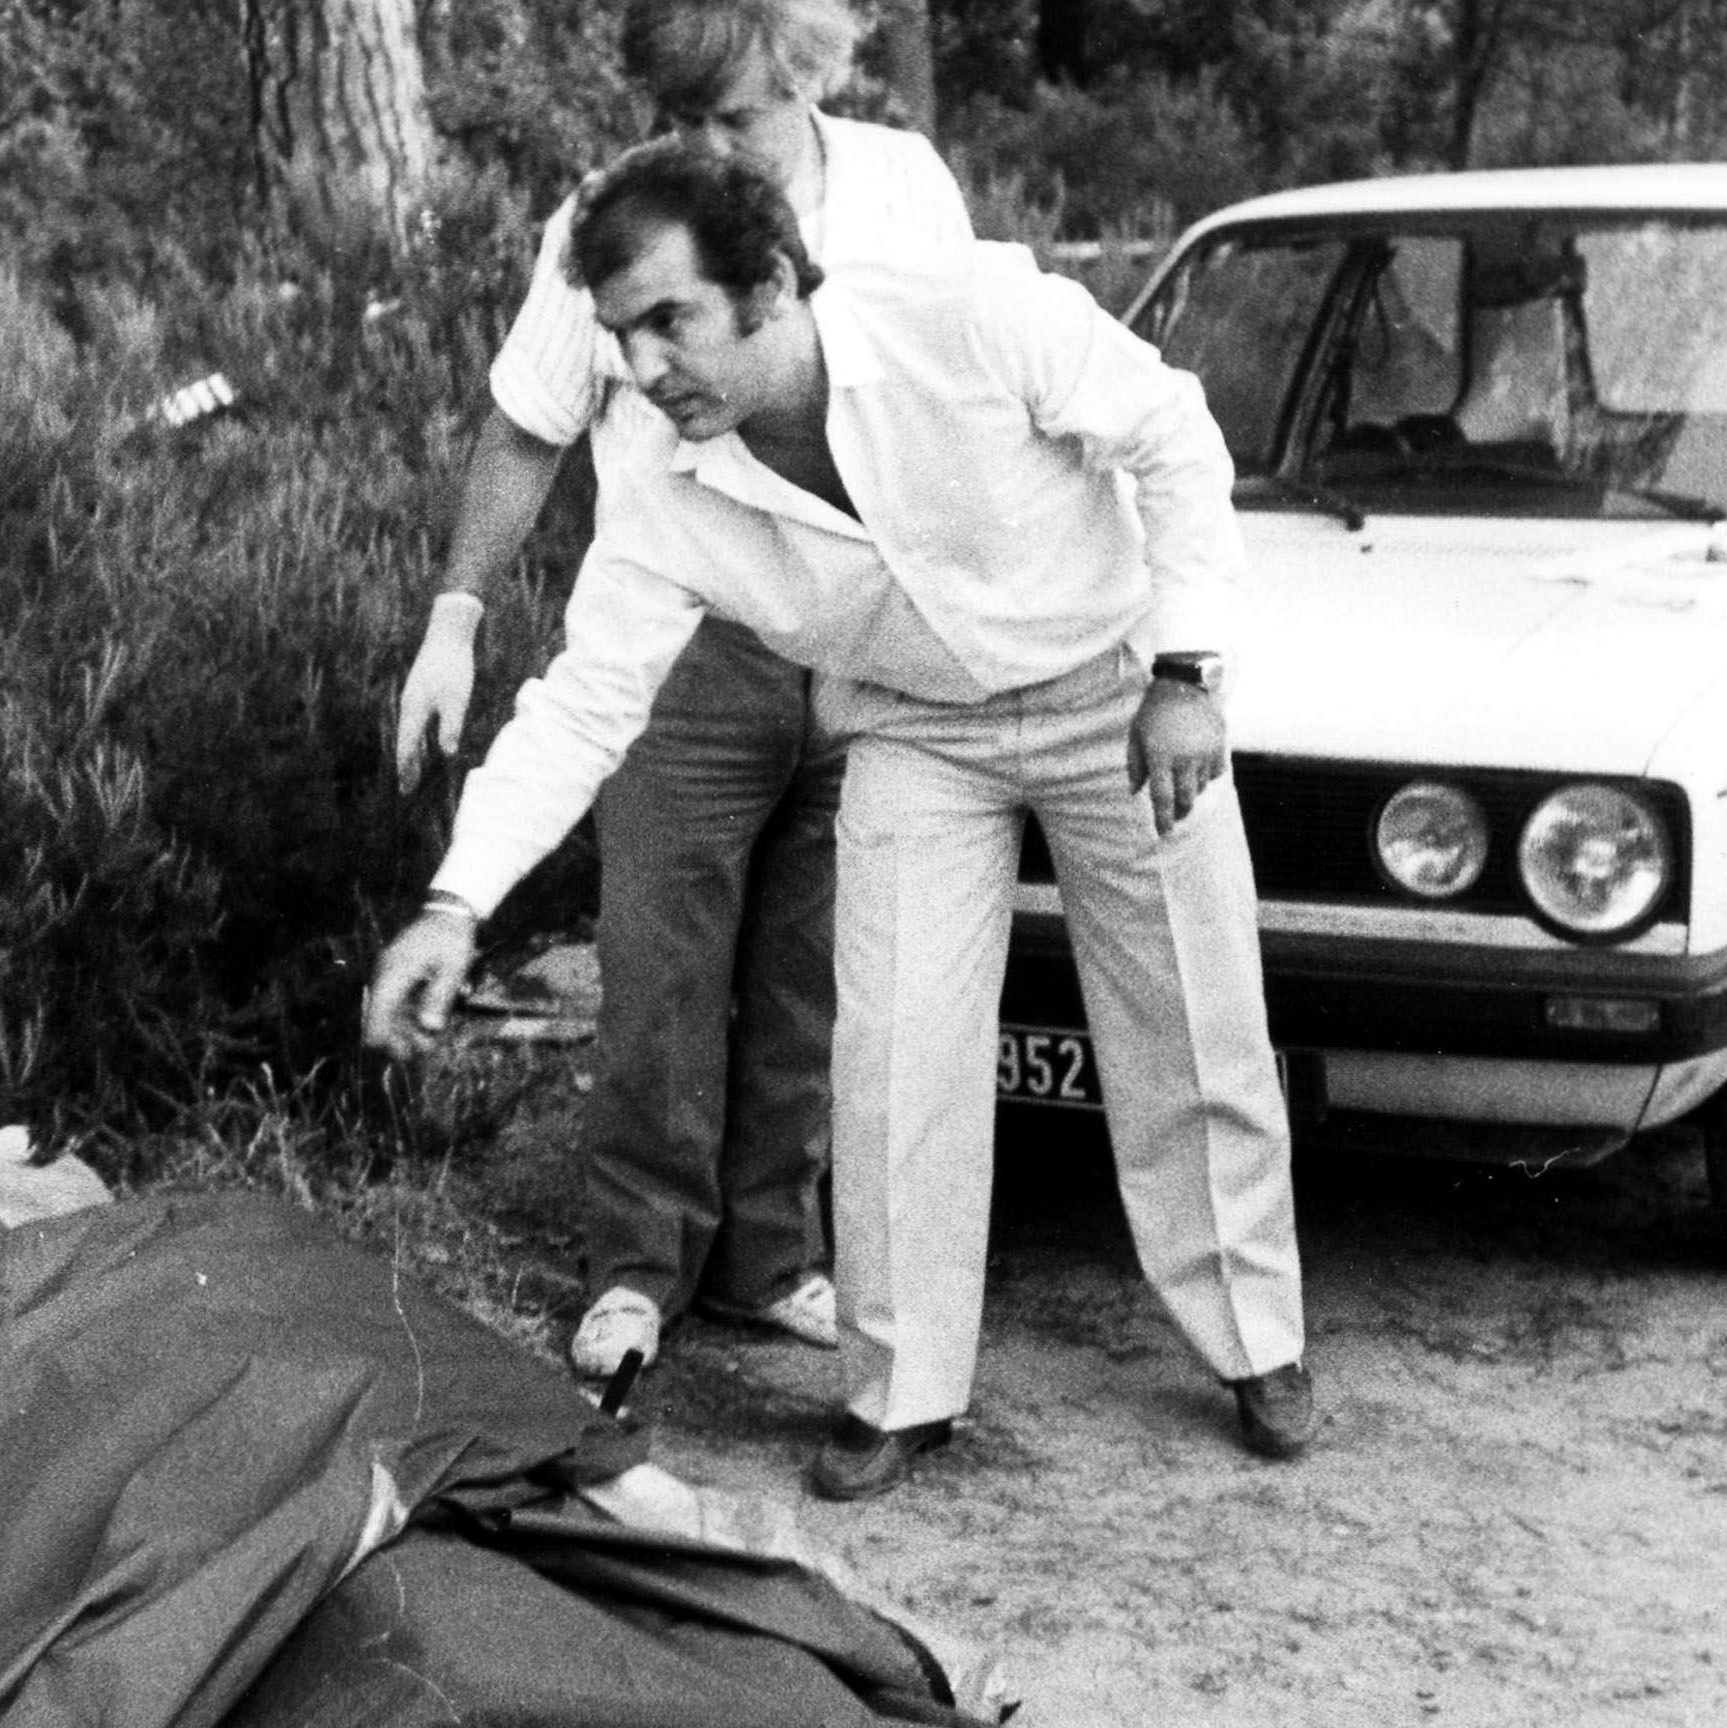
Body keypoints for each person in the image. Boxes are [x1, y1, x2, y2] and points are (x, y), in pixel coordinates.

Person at [366, 140, 1314, 1500]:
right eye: (621, 337)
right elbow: (584, 706)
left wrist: (1188, 669)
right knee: (891, 1055)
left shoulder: (970, 312)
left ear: (764, 284)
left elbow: (1172, 437)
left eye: (669, 324)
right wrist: (457, 905)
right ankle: (901, 1393)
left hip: (1117, 696)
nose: (643, 369)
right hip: (919, 733)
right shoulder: (669, 497)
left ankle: (1256, 1341)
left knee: (1189, 1025)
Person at [394, 0, 970, 1386]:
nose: (713, 148)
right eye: (684, 120)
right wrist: (456, 616)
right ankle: (637, 1272)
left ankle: (771, 1260)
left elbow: (950, 402)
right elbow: (530, 423)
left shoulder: (904, 187)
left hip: (856, 636)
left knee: (810, 974)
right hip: (674, 636)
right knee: (660, 967)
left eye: (740, 120)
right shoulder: (609, 216)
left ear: (813, 75)